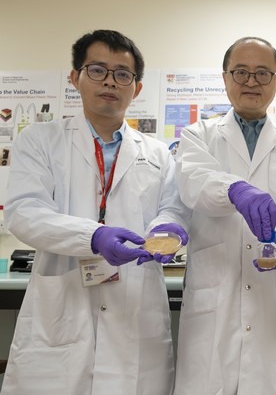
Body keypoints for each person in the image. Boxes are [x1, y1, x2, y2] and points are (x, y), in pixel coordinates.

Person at [1, 29, 189, 395]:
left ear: (136, 87)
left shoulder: (158, 154)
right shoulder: (40, 141)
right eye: (98, 70)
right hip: (63, 306)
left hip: (135, 310)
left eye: (123, 74)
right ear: (75, 77)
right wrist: (93, 236)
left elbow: (173, 208)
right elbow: (24, 212)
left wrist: (168, 229)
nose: (110, 82)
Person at [174, 37, 276, 395]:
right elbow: (193, 182)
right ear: (225, 77)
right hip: (216, 292)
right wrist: (234, 189)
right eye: (241, 72)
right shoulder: (198, 136)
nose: (251, 82)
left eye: (262, 73)